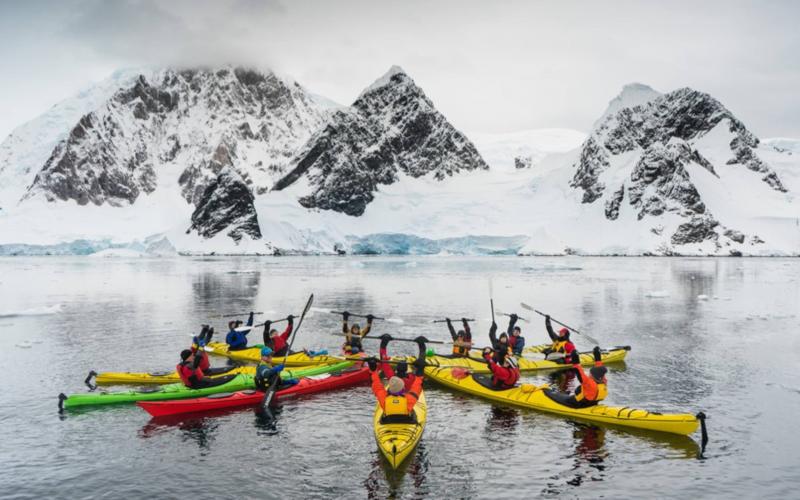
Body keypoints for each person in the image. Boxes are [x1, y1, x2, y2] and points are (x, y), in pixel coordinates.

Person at [368, 336, 427, 421]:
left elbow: (383, 363)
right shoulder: (411, 380)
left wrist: (383, 345)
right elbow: (419, 381)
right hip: (407, 406)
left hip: (388, 418)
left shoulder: (391, 378)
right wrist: (422, 347)